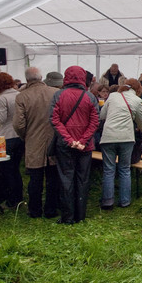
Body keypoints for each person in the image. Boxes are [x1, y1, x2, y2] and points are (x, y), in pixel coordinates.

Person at [50, 65, 99, 224]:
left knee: (66, 179)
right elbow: (95, 122)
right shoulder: (90, 97)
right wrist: (83, 141)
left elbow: (54, 120)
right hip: (85, 146)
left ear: (66, 77)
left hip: (65, 146)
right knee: (82, 180)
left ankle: (68, 217)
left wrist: (69, 140)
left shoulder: (59, 95)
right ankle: (80, 215)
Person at [14, 67, 59, 218]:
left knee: (35, 179)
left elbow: (18, 124)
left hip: (33, 140)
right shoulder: (55, 93)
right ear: (41, 77)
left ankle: (35, 210)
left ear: (27, 80)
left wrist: (26, 136)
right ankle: (51, 209)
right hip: (53, 140)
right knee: (53, 177)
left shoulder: (22, 97)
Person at [98, 80, 142, 210]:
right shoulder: (137, 100)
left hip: (108, 137)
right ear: (138, 89)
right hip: (126, 138)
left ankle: (107, 201)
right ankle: (124, 201)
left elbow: (102, 115)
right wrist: (139, 128)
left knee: (109, 169)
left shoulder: (112, 96)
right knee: (124, 169)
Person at [0, 71, 24, 207]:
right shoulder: (18, 95)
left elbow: (1, 119)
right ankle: (18, 197)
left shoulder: (2, 99)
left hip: (7, 136)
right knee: (15, 169)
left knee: (7, 170)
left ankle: (11, 200)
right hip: (20, 136)